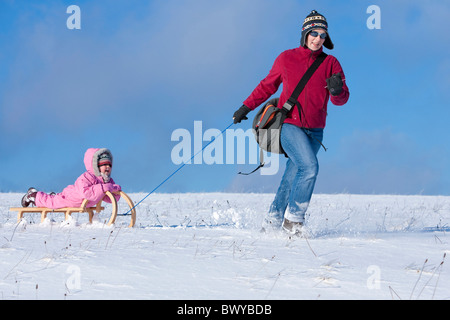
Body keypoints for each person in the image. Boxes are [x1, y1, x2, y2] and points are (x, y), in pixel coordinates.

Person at [233, 10, 350, 235]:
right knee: (310, 167)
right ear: (305, 34)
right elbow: (267, 85)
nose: (317, 39)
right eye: (313, 33)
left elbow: (341, 100)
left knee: (292, 175)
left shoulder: (331, 63)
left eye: (322, 35)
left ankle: (272, 220)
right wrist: (245, 107)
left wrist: (337, 91)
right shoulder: (287, 58)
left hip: (316, 131)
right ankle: (294, 221)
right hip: (289, 125)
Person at [21, 148, 121, 209]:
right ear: (96, 166)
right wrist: (105, 188)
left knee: (56, 198)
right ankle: (33, 196)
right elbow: (85, 192)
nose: (107, 167)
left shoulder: (107, 181)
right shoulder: (87, 177)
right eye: (104, 164)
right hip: (71, 198)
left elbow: (110, 198)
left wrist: (115, 190)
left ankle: (53, 195)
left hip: (79, 202)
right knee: (52, 202)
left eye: (109, 165)